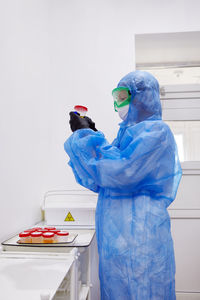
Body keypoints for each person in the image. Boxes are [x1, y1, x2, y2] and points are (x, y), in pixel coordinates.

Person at [64, 70, 182, 300]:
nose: (118, 104)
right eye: (116, 98)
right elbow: (101, 176)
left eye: (122, 96)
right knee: (118, 289)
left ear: (142, 96)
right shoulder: (126, 134)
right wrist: (92, 134)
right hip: (117, 237)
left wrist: (87, 137)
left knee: (145, 289)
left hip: (142, 235)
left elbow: (123, 172)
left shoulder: (158, 132)